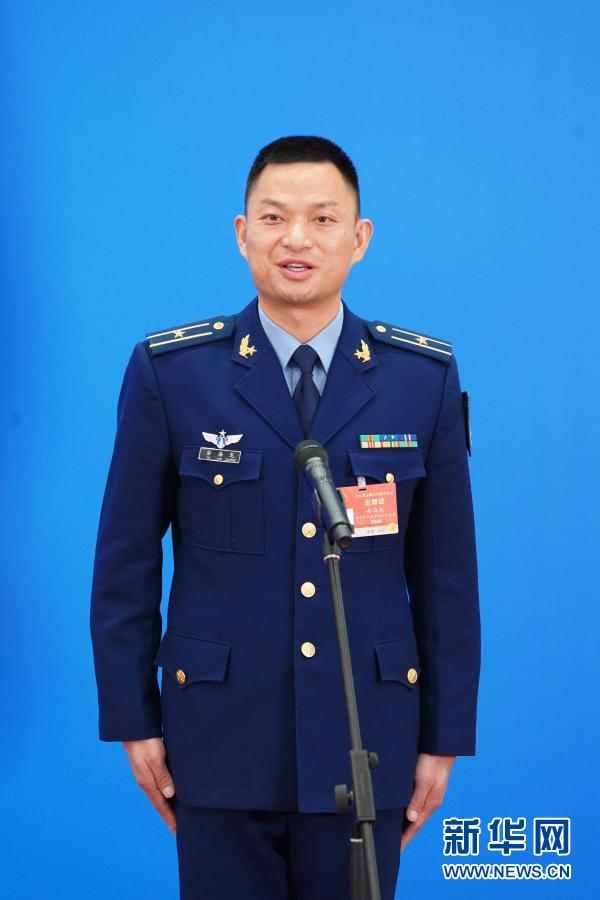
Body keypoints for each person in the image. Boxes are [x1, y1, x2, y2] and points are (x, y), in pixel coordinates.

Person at [90, 134, 480, 899]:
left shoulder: (420, 379)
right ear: (243, 234)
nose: (296, 239)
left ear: (358, 238)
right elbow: (124, 563)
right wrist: (134, 720)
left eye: (322, 219)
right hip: (218, 737)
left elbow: (447, 579)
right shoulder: (174, 374)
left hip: (367, 740)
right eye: (273, 218)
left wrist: (444, 737)